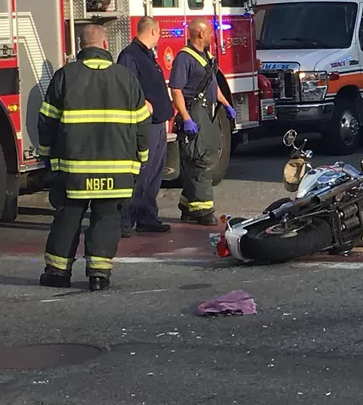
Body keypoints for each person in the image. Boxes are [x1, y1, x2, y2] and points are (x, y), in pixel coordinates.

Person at [37, 24, 149, 292]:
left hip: (74, 168)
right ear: (106, 45)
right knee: (107, 218)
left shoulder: (65, 76)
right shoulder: (126, 78)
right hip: (117, 166)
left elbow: (47, 122)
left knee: (68, 217)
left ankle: (57, 272)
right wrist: (140, 159)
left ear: (80, 46)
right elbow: (142, 124)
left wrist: (47, 158)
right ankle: (99, 275)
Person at [168, 18, 236, 226]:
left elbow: (212, 84)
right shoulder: (184, 58)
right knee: (200, 159)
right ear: (200, 34)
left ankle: (188, 205)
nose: (211, 37)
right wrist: (186, 119)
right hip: (194, 111)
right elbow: (176, 90)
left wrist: (225, 104)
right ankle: (203, 210)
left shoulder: (206, 57)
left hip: (207, 111)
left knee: (209, 151)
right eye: (208, 33)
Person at [117, 17, 173, 237]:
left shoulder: (147, 54)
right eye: (158, 32)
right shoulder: (130, 55)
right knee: (140, 172)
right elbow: (127, 86)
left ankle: (147, 217)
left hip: (157, 123)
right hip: (143, 124)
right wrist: (142, 103)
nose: (159, 36)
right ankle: (124, 219)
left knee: (154, 174)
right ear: (152, 31)